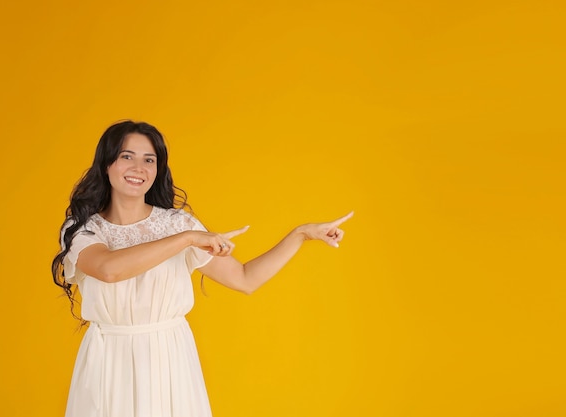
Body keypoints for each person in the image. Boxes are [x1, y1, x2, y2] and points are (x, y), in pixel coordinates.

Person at [51, 120, 353, 417]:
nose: (138, 168)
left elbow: (245, 279)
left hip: (169, 357)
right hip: (109, 362)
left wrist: (300, 234)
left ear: (158, 169)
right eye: (127, 156)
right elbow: (108, 269)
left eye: (149, 160)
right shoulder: (83, 230)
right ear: (106, 164)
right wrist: (187, 239)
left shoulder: (177, 223)